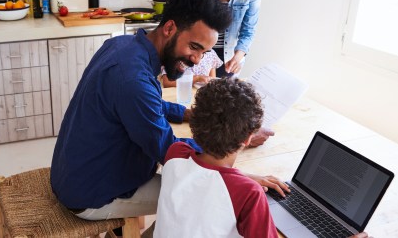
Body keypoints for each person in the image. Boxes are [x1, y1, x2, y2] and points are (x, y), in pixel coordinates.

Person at [50, 0, 286, 223]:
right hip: (92, 194)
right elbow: (170, 151)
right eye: (194, 47)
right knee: (210, 196)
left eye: (204, 52)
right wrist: (236, 147)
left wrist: (189, 114)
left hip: (71, 174)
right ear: (170, 28)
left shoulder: (121, 46)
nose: (196, 60)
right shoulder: (132, 80)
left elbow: (145, 104)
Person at [153, 79, 371, 238]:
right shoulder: (248, 194)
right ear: (249, 138)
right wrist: (241, 182)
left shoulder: (176, 153)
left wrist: (240, 178)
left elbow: (206, 173)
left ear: (195, 122)